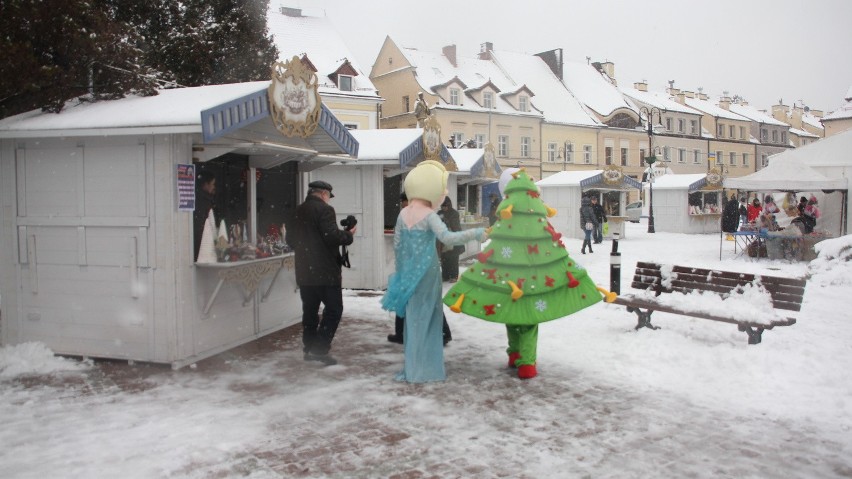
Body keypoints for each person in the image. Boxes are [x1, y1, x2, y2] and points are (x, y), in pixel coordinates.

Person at [381, 160, 487, 383]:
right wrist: (475, 233)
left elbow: (398, 246)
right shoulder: (429, 215)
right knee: (429, 318)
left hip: (408, 274)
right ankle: (427, 369)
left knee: (412, 320)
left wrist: (403, 273)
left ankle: (413, 369)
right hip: (428, 273)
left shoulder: (403, 215)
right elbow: (448, 238)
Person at [285, 180, 355, 366]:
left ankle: (309, 348)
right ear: (324, 193)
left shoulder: (297, 211)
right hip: (325, 272)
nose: (328, 200)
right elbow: (331, 237)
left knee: (310, 310)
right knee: (334, 310)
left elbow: (290, 240)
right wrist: (348, 235)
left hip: (305, 271)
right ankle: (320, 348)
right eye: (328, 196)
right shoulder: (325, 210)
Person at [387, 193, 453, 346]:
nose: (404, 206)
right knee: (403, 299)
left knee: (425, 300)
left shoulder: (424, 216)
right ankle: (402, 333)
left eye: (404, 202)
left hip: (421, 267)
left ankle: (443, 333)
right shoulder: (408, 216)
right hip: (410, 266)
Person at [193, 171, 217, 261]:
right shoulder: (202, 201)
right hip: (202, 241)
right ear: (206, 184)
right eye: (212, 184)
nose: (214, 187)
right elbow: (200, 222)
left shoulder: (207, 199)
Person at [438, 197, 462, 282]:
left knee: (453, 258)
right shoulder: (440, 213)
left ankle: (454, 276)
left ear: (449, 205)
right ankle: (445, 276)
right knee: (444, 258)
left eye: (445, 206)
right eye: (442, 206)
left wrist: (447, 222)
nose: (443, 208)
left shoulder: (454, 213)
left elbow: (456, 226)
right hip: (443, 239)